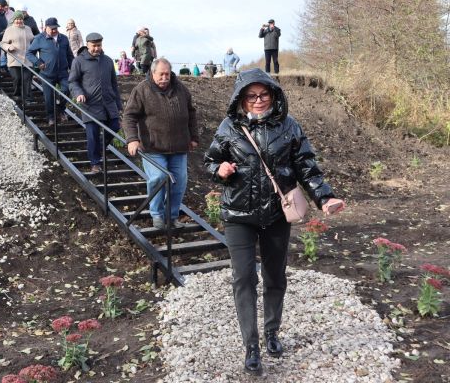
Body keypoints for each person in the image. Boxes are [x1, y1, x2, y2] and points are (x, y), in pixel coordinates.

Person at [203, 68, 345, 374]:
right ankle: (251, 346)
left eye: (263, 94)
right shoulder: (229, 127)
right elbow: (209, 161)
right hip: (238, 216)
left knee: (275, 277)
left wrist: (325, 197)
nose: (257, 101)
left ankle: (272, 332)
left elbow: (307, 166)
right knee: (243, 279)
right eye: (251, 96)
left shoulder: (289, 127)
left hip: (276, 214)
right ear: (241, 98)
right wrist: (220, 170)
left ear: (273, 95)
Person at [122, 57, 198, 229]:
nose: (164, 78)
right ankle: (156, 214)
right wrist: (132, 139)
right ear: (152, 73)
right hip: (153, 147)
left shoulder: (181, 89)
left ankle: (172, 217)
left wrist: (194, 137)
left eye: (167, 74)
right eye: (161, 74)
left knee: (179, 182)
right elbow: (129, 116)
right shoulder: (142, 90)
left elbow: (191, 113)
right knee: (158, 177)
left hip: (179, 147)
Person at [69, 33, 123, 175]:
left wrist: (118, 105)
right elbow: (73, 81)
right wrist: (78, 93)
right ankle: (95, 163)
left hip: (109, 103)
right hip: (90, 104)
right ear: (87, 45)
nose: (97, 48)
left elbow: (114, 84)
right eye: (94, 46)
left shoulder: (108, 61)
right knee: (92, 134)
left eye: (99, 45)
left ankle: (98, 151)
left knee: (115, 127)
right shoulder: (79, 61)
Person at [26, 17, 74, 125]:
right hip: (47, 73)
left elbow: (69, 55)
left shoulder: (64, 38)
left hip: (63, 72)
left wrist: (74, 69)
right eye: (52, 28)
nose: (54, 30)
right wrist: (38, 63)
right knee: (48, 97)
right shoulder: (39, 38)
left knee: (67, 90)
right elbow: (29, 53)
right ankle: (51, 117)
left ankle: (61, 110)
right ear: (46, 28)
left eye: (56, 28)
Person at [0, 11, 35, 101]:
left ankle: (28, 99)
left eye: (20, 19)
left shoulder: (28, 28)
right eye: (17, 19)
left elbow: (33, 40)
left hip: (27, 59)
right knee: (17, 78)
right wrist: (8, 47)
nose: (19, 21)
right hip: (14, 59)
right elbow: (2, 43)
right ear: (14, 20)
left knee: (27, 79)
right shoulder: (9, 30)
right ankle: (17, 95)